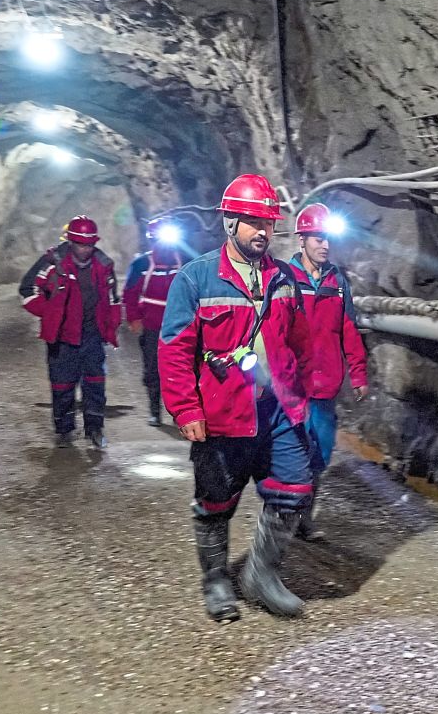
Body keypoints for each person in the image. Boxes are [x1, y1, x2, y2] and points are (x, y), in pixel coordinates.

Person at [158, 174, 314, 623]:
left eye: (268, 223)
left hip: (277, 410)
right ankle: (216, 582)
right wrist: (186, 408)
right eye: (252, 223)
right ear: (230, 223)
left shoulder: (284, 278)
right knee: (215, 501)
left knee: (294, 488)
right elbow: (174, 350)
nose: (263, 232)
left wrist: (299, 395)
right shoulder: (197, 277)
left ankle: (261, 575)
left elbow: (299, 343)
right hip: (222, 411)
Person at [287, 203, 369, 541]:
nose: (324, 245)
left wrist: (359, 373)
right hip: (291, 386)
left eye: (327, 240)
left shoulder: (337, 283)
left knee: (319, 453)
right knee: (289, 454)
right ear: (302, 240)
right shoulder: (285, 277)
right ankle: (281, 517)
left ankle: (304, 518)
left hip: (325, 387)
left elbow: (349, 328)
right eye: (318, 239)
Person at [18, 215, 122, 450]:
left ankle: (95, 428)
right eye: (80, 244)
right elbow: (27, 289)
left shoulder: (103, 265)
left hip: (92, 335)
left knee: (95, 384)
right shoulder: (53, 262)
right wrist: (50, 313)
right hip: (63, 338)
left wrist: (112, 324)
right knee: (62, 385)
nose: (84, 249)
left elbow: (113, 297)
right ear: (71, 241)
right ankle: (64, 430)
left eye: (88, 245)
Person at [123, 217, 185, 425]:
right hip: (152, 326)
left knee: (180, 370)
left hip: (180, 327)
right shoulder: (141, 264)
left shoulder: (183, 261)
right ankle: (155, 410)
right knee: (153, 369)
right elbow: (130, 293)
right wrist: (133, 318)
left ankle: (180, 412)